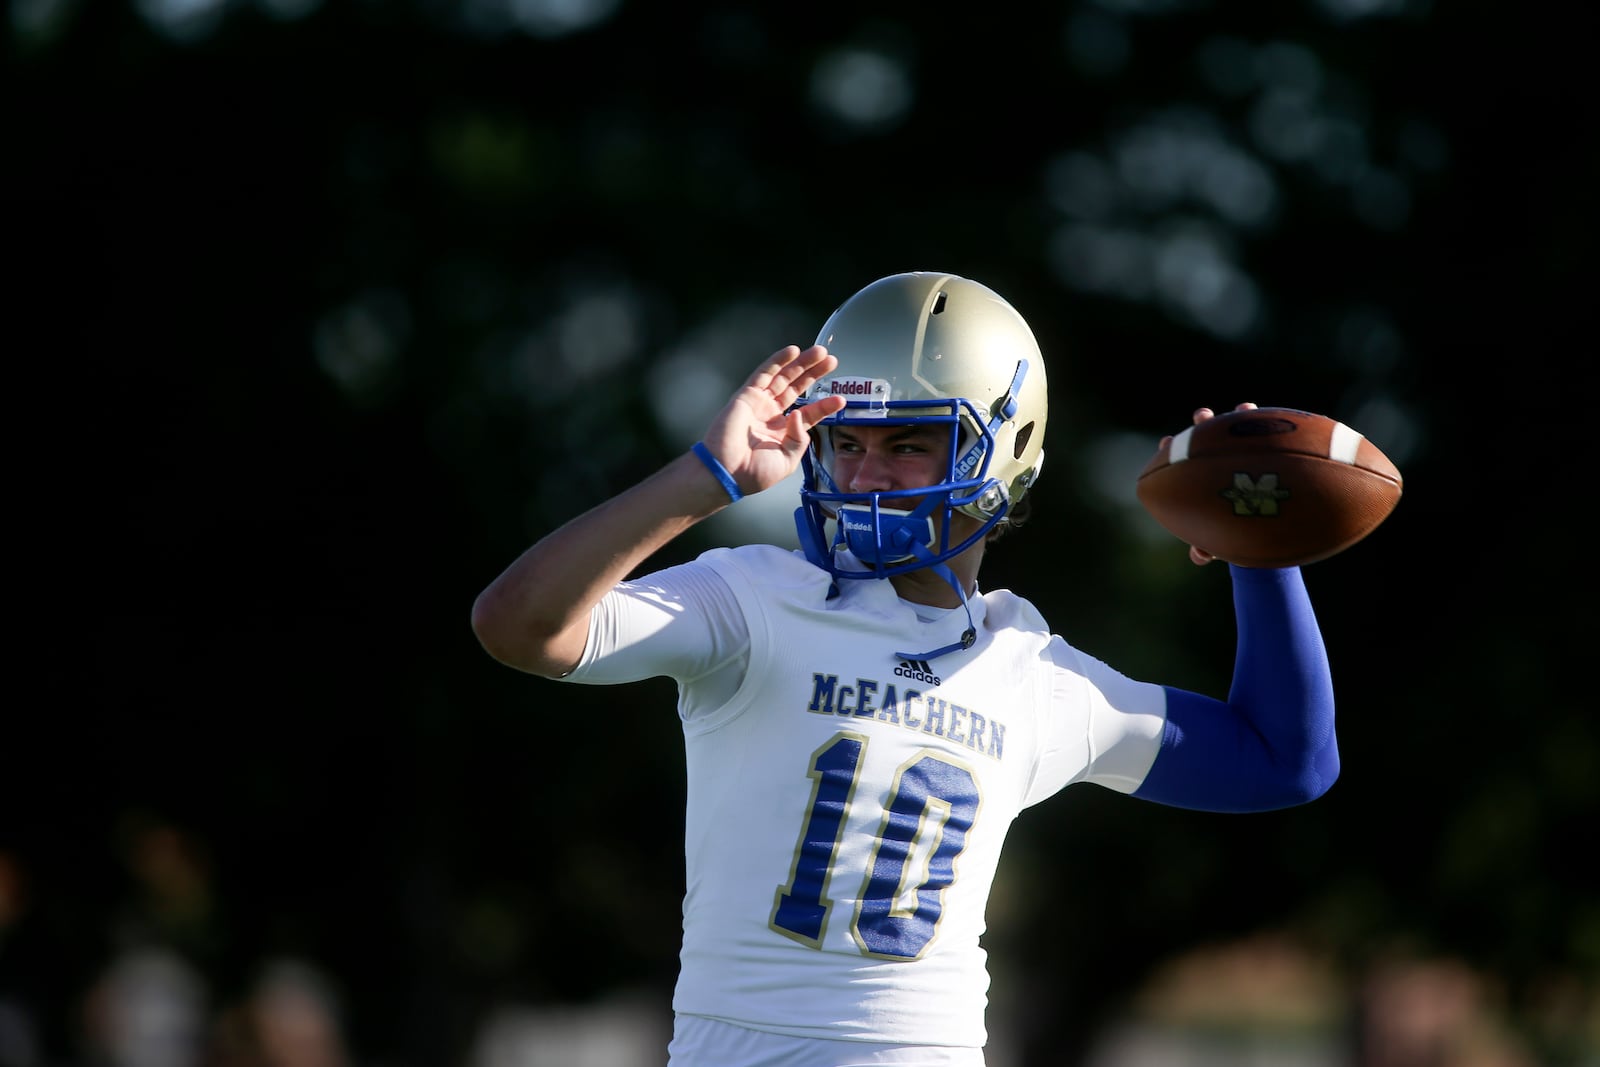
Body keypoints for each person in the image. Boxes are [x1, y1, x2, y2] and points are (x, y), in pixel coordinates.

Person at [471, 271, 1340, 1066]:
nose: (864, 476)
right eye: (845, 443)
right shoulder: (752, 598)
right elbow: (518, 626)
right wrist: (705, 479)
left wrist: (1261, 554)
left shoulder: (1029, 670)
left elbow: (1285, 760)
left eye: (908, 446)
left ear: (1000, 454)